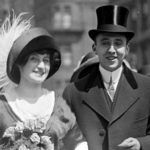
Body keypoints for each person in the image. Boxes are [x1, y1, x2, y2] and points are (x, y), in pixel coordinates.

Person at [63, 4, 150, 150]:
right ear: (95, 48)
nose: (111, 50)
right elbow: (62, 137)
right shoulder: (73, 92)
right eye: (105, 43)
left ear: (127, 49)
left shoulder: (147, 87)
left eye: (118, 43)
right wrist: (78, 145)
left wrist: (140, 144)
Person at [0, 13, 75, 150]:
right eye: (34, 59)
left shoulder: (59, 106)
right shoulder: (2, 107)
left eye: (45, 60)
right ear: (20, 64)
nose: (41, 66)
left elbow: (77, 141)